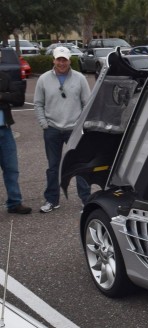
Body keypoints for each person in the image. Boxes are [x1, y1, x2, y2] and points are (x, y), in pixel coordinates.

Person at [33, 46, 91, 213]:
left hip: (74, 129)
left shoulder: (80, 78)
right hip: (52, 129)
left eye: (64, 59)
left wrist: (82, 125)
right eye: (58, 59)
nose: (61, 63)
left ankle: (86, 200)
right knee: (53, 167)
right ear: (54, 60)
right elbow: (38, 104)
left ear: (69, 60)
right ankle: (52, 200)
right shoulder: (43, 79)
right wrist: (44, 124)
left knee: (80, 165)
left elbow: (87, 104)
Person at [0, 61, 32, 214]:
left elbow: (18, 97)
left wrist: (1, 95)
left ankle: (14, 202)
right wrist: (5, 96)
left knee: (11, 169)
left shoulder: (4, 77)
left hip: (5, 130)